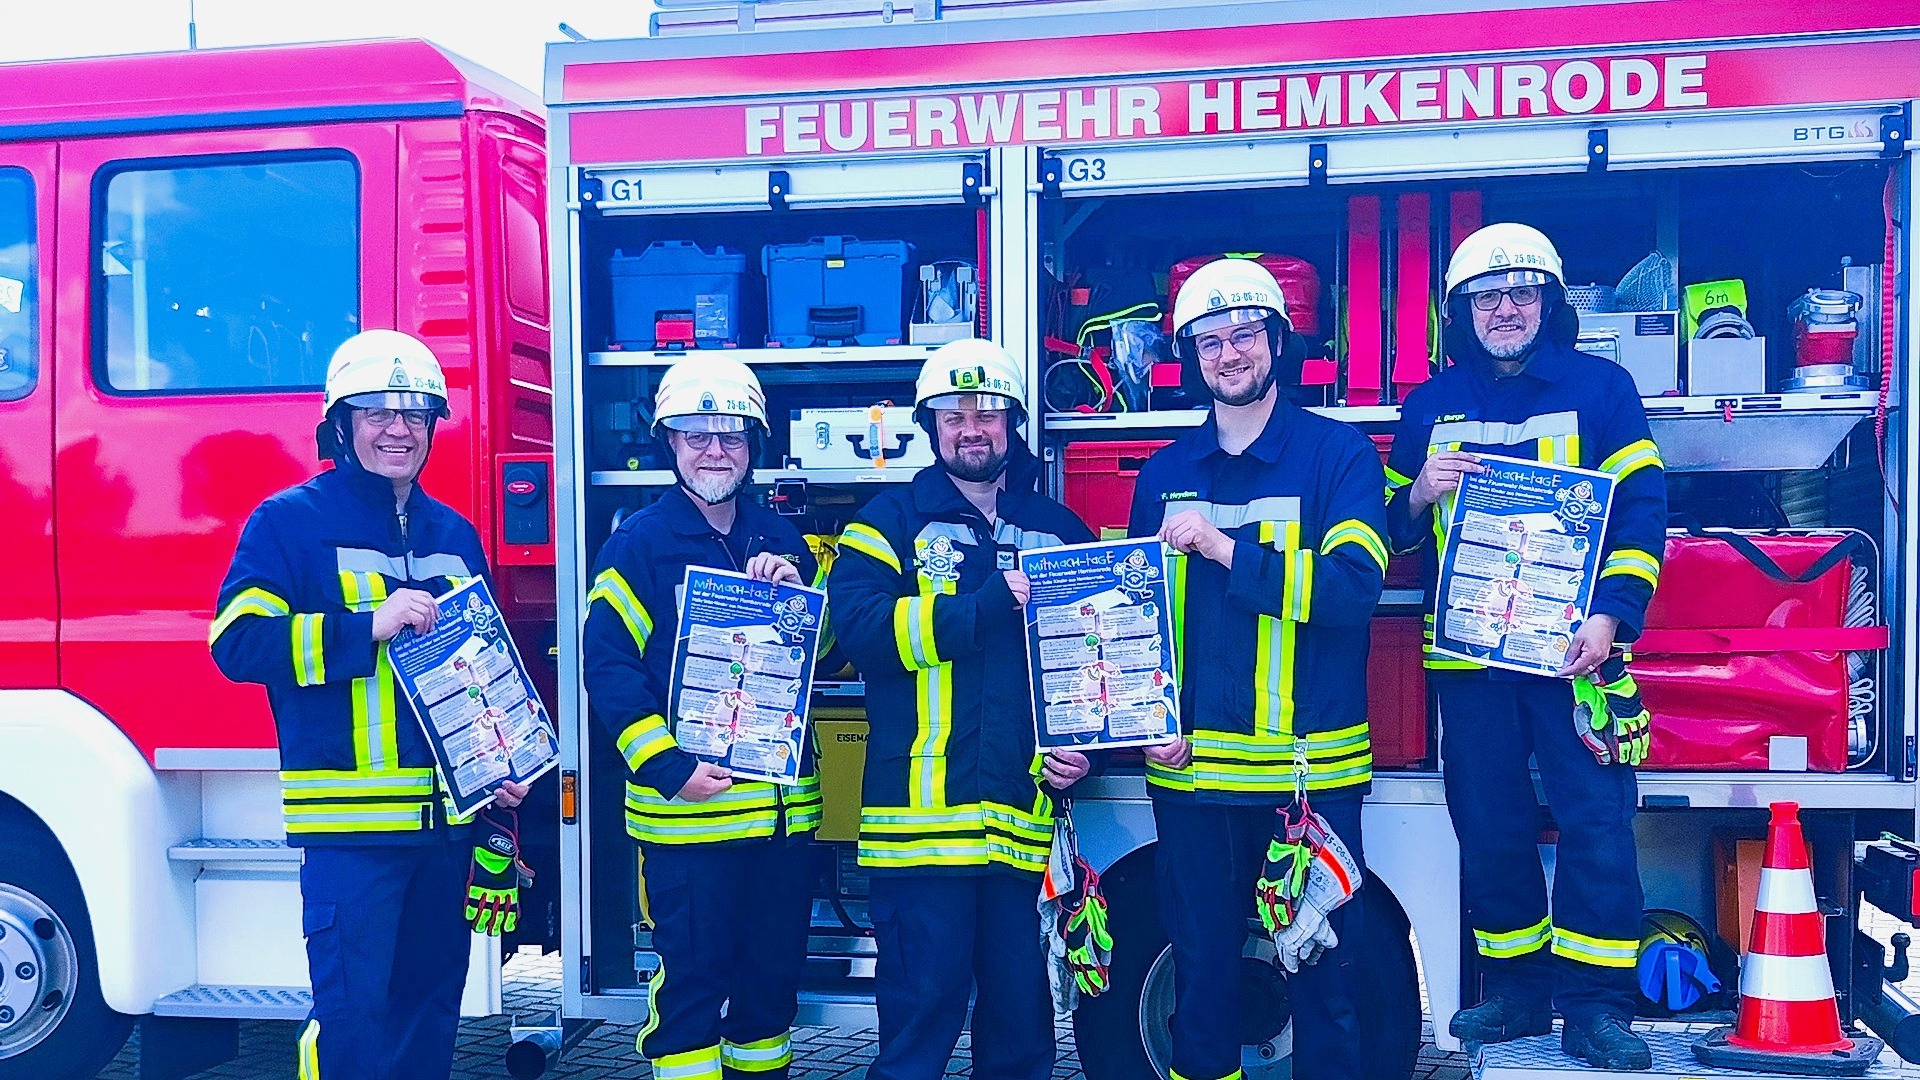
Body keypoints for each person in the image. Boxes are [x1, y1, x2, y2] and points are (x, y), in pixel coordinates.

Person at [210, 329, 530, 1080]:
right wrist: (365, 628)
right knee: (352, 1030)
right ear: (341, 424)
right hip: (352, 835)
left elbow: (482, 674)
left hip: (447, 837)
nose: (399, 430)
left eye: (415, 415)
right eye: (378, 413)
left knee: (428, 1022)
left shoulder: (455, 535)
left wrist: (500, 779)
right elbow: (237, 642)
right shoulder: (289, 522)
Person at [1385, 223, 1667, 1070]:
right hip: (1469, 664)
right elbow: (1386, 533)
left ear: (1549, 302)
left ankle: (1595, 1006)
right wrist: (1416, 495)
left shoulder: (1602, 389)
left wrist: (1611, 617)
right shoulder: (1428, 406)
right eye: (1486, 296)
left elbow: (1643, 508)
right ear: (1459, 311)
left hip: (1577, 657)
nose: (1504, 309)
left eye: (1521, 293)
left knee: (1597, 824)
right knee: (1491, 825)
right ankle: (1515, 994)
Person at [1126, 258, 1388, 1080]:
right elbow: (1137, 627)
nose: (1229, 353)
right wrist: (1148, 724)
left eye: (1245, 335)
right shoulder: (1165, 474)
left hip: (1306, 783)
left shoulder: (1339, 458)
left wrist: (1224, 548)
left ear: (1278, 341)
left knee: (1323, 981)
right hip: (1192, 776)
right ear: (1192, 356)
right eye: (1210, 341)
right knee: (1202, 984)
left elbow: (1354, 590)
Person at [827, 339, 1095, 1080]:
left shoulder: (1058, 529)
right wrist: (974, 611)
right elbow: (861, 632)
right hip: (919, 843)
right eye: (953, 414)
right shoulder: (886, 523)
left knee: (1021, 1040)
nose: (970, 427)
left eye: (986, 412)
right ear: (930, 425)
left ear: (1012, 423)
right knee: (917, 1039)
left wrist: (1086, 750)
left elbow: (1088, 663)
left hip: (1020, 837)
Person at [582, 357, 826, 1080]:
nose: (714, 450)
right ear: (669, 443)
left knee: (768, 1000)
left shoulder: (782, 540)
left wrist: (799, 601)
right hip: (691, 823)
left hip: (781, 826)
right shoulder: (638, 547)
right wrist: (669, 768)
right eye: (696, 435)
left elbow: (823, 665)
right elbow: (608, 671)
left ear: (754, 444)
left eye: (730, 436)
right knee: (690, 999)